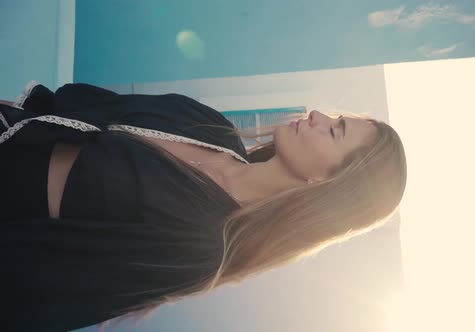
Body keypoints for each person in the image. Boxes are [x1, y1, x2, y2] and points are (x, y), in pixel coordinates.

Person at [0, 81, 407, 331]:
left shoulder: (205, 247)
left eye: (335, 130)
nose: (318, 114)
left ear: (327, 187)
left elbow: (49, 280)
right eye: (336, 117)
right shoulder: (207, 125)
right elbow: (70, 108)